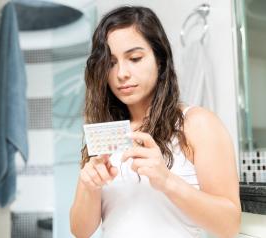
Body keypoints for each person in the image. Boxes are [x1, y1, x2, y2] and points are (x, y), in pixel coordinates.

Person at [70, 5, 241, 238]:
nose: (121, 73)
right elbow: (80, 231)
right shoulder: (107, 133)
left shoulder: (197, 124)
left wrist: (167, 181)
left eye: (135, 58)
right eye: (110, 63)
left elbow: (229, 225)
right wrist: (89, 186)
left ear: (159, 60)